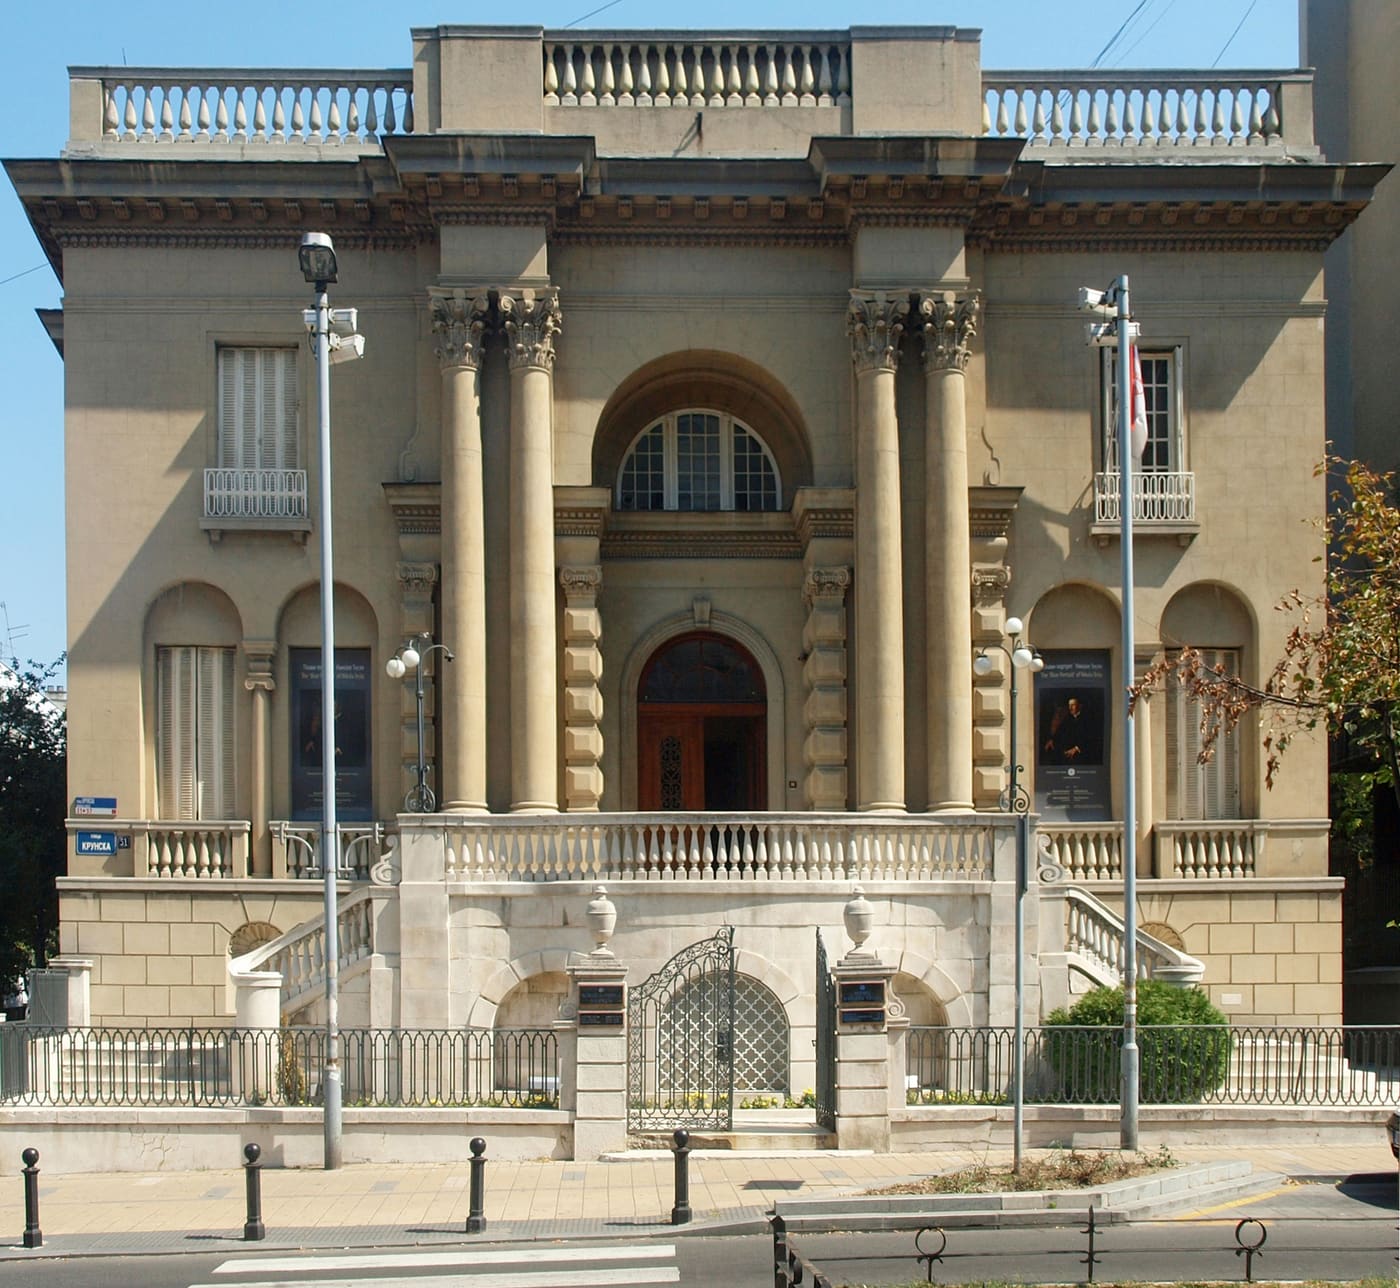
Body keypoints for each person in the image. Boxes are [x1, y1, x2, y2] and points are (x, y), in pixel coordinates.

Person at [1042, 695, 1102, 765]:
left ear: (1080, 706)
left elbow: (1091, 738)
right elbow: (1060, 731)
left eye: (1073, 705)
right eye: (1069, 705)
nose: (1070, 708)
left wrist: (1076, 748)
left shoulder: (1088, 719)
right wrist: (1052, 740)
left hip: (1083, 754)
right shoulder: (1068, 718)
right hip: (1068, 752)